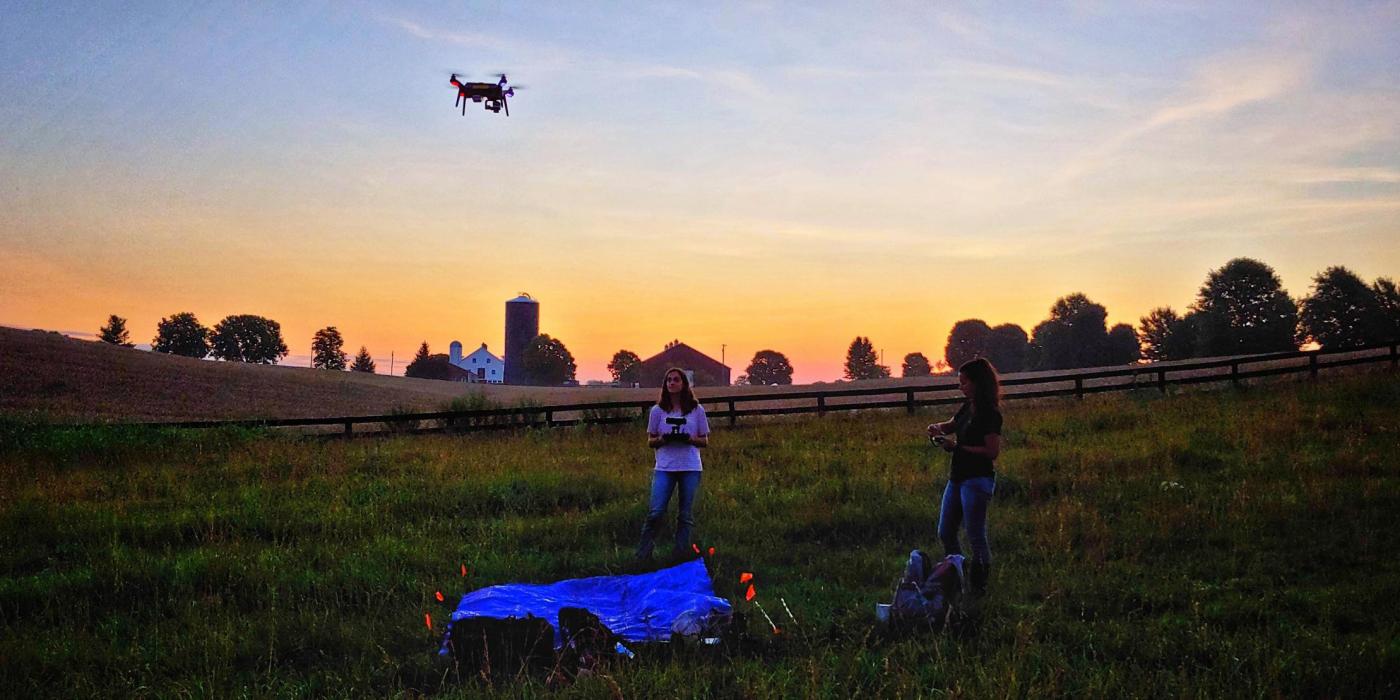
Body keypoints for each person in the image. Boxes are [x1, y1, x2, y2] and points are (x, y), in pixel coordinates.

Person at [927, 357, 1002, 596]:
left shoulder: (990, 414)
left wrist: (956, 448)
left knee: (975, 534)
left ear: (978, 383)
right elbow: (952, 425)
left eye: (965, 382)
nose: (961, 386)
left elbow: (992, 452)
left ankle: (978, 587)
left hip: (977, 480)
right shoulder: (967, 406)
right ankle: (957, 574)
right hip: (957, 478)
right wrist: (937, 427)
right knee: (945, 531)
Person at [636, 368, 710, 560]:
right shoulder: (657, 411)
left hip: (690, 467)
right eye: (668, 380)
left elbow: (704, 441)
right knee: (656, 512)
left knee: (685, 516)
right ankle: (643, 556)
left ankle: (680, 555)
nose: (672, 383)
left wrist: (688, 439)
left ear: (684, 383)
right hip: (665, 468)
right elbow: (651, 441)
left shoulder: (696, 410)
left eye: (676, 380)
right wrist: (664, 439)